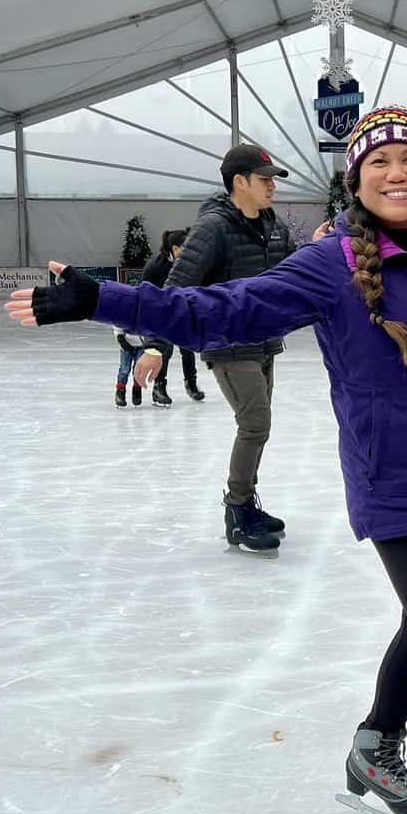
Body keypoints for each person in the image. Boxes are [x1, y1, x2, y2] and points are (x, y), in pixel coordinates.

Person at [6, 106, 407, 814]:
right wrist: (103, 300)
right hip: (395, 482)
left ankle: (374, 746)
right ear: (356, 179)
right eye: (379, 162)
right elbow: (219, 308)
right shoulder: (329, 267)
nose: (397, 174)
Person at [134, 145, 294, 552]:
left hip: (264, 342)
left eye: (273, 178)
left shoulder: (272, 224)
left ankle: (248, 503)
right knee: (255, 423)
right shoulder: (213, 229)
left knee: (260, 427)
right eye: (264, 179)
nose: (272, 186)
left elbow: (292, 272)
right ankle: (237, 511)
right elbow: (176, 287)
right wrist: (154, 345)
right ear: (240, 182)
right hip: (227, 344)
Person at [140, 229, 205, 405]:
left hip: (184, 313)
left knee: (187, 350)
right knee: (164, 351)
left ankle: (191, 384)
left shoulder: (188, 264)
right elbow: (144, 290)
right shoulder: (156, 265)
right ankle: (159, 388)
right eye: (186, 247)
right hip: (162, 315)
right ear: (175, 248)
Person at [113, 325, 146, 407]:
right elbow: (117, 323)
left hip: (142, 345)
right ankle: (120, 391)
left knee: (138, 369)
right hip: (126, 343)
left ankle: (137, 390)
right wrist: (120, 337)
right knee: (124, 369)